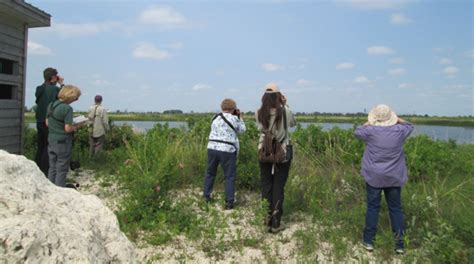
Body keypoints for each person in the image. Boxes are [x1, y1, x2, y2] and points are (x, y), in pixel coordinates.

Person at [354, 104, 414, 254]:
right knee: (395, 208)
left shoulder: (369, 131)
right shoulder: (399, 131)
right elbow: (410, 126)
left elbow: (357, 131)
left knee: (373, 207)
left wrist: (369, 122)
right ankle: (400, 245)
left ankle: (369, 242)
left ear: (375, 118)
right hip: (394, 177)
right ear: (390, 118)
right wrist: (397, 119)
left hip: (374, 176)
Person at [256, 83, 296, 233]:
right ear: (279, 96)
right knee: (279, 186)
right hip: (282, 153)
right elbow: (293, 123)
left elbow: (260, 129)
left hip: (264, 151)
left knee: (266, 185)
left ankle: (266, 220)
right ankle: (276, 223)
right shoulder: (285, 111)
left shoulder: (259, 112)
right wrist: (285, 104)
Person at [203, 98, 246, 209]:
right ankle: (229, 202)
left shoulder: (215, 117)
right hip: (227, 149)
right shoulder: (234, 119)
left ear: (222, 107)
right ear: (233, 108)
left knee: (210, 173)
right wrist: (240, 117)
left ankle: (206, 196)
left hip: (212, 147)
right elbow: (242, 130)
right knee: (229, 176)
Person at [46, 85, 83, 187]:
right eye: (76, 97)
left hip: (51, 139)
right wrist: (76, 127)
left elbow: (47, 123)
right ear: (71, 96)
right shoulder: (67, 109)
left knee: (52, 167)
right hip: (63, 141)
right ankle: (59, 190)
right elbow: (67, 129)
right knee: (62, 168)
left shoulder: (51, 105)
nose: (76, 100)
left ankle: (50, 188)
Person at [34, 67, 64, 175]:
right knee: (49, 146)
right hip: (49, 120)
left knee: (41, 145)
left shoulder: (39, 89)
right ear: (53, 77)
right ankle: (46, 170)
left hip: (39, 120)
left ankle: (37, 168)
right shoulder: (54, 89)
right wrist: (61, 84)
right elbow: (65, 96)